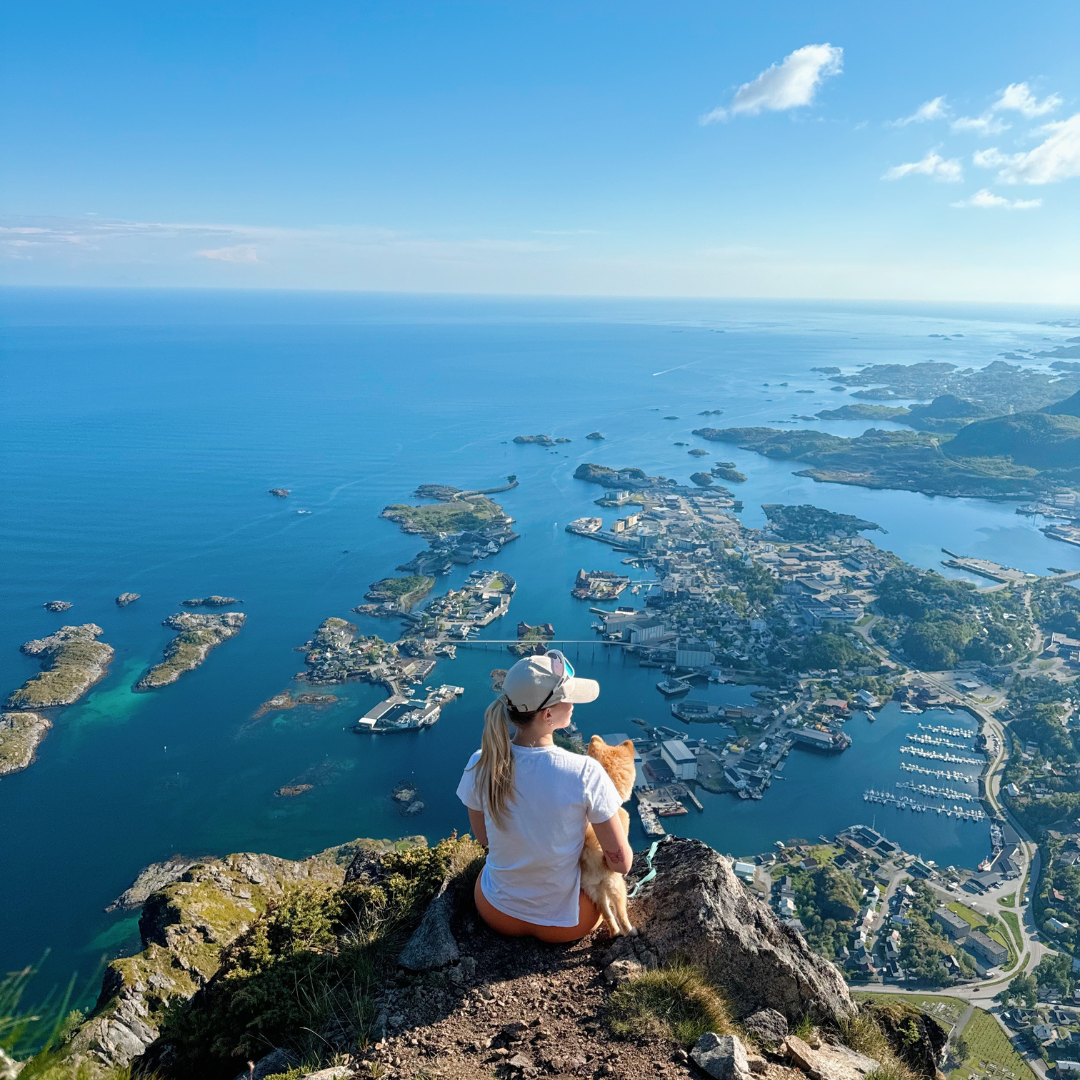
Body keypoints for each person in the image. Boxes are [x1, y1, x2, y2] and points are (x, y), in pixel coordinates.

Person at [456, 650, 634, 943]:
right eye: (569, 697)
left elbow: (485, 839)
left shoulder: (481, 762)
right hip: (567, 925)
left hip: (496, 911)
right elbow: (621, 864)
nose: (573, 703)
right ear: (547, 714)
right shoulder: (584, 772)